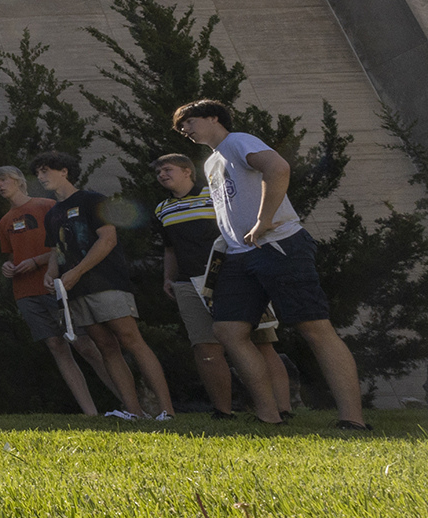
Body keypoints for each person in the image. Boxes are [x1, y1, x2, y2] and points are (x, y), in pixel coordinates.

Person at [172, 100, 368, 430]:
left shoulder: (238, 141)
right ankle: (269, 416)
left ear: (213, 117)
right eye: (181, 128)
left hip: (279, 245)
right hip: (237, 255)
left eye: (189, 122)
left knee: (313, 327)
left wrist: (264, 220)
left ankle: (353, 420)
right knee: (229, 331)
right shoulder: (211, 162)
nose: (185, 130)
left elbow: (277, 168)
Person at [32, 152, 175, 421]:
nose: (41, 177)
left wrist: (76, 271)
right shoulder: (52, 213)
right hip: (74, 290)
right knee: (106, 347)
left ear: (64, 171)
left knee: (131, 340)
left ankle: (167, 411)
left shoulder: (92, 200)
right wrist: (51, 275)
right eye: (38, 173)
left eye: (46, 170)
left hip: (107, 282)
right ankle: (134, 412)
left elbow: (107, 240)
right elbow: (55, 250)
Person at [153, 151, 293, 419]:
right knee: (206, 347)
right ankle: (222, 411)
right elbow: (169, 248)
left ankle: (282, 409)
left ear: (187, 172)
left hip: (235, 275)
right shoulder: (162, 209)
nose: (162, 175)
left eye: (168, 169)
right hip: (188, 283)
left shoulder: (215, 195)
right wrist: (168, 277)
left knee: (261, 342)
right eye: (159, 172)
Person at [0, 164, 116, 417]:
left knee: (85, 345)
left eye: (4, 180)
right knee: (56, 347)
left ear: (18, 181)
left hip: (56, 286)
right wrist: (8, 266)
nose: (0, 185)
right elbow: (12, 255)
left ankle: (128, 402)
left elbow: (61, 245)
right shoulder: (5, 221)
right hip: (25, 293)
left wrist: (37, 262)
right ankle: (90, 412)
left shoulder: (46, 206)